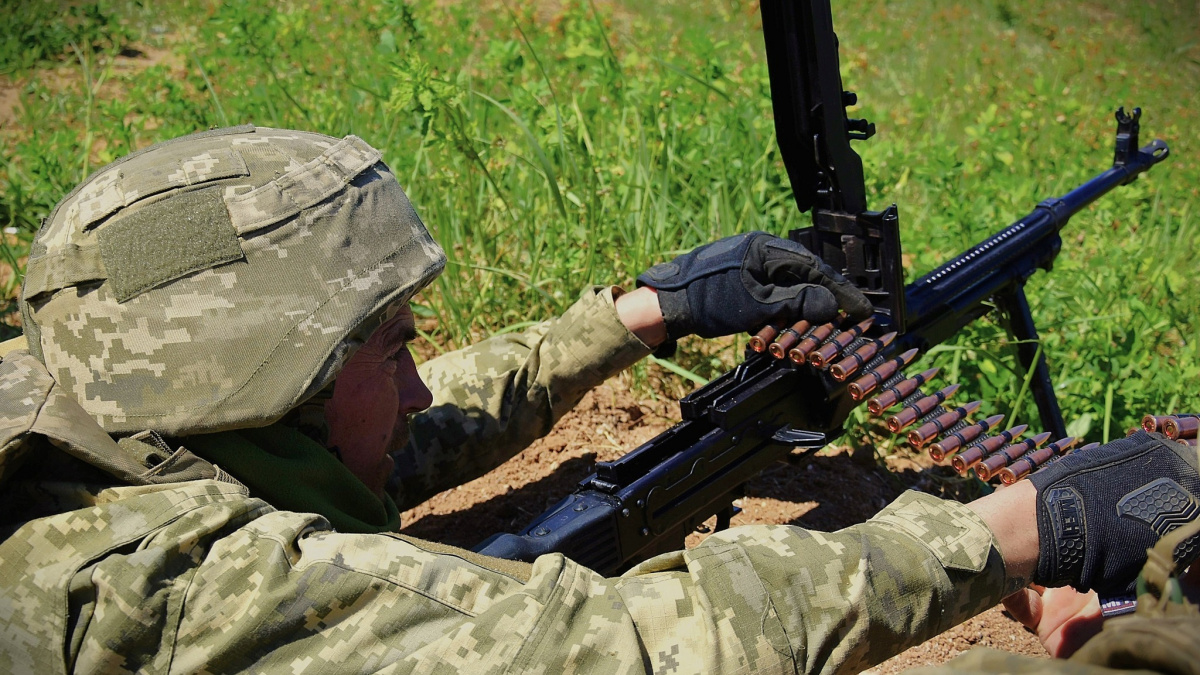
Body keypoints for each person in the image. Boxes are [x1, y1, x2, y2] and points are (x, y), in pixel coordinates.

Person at [0, 126, 1196, 674]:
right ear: (273, 386)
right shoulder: (158, 594)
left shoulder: (97, 384)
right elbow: (610, 647)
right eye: (394, 346)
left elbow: (386, 437)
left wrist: (643, 313)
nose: (423, 377)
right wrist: (1023, 524)